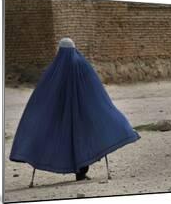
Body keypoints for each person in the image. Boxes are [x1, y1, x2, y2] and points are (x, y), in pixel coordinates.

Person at [9, 37, 140, 185]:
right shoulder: (81, 64)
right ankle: (81, 173)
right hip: (83, 112)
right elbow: (95, 89)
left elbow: (44, 94)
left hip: (61, 114)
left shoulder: (54, 69)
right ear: (74, 49)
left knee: (64, 140)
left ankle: (76, 171)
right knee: (82, 139)